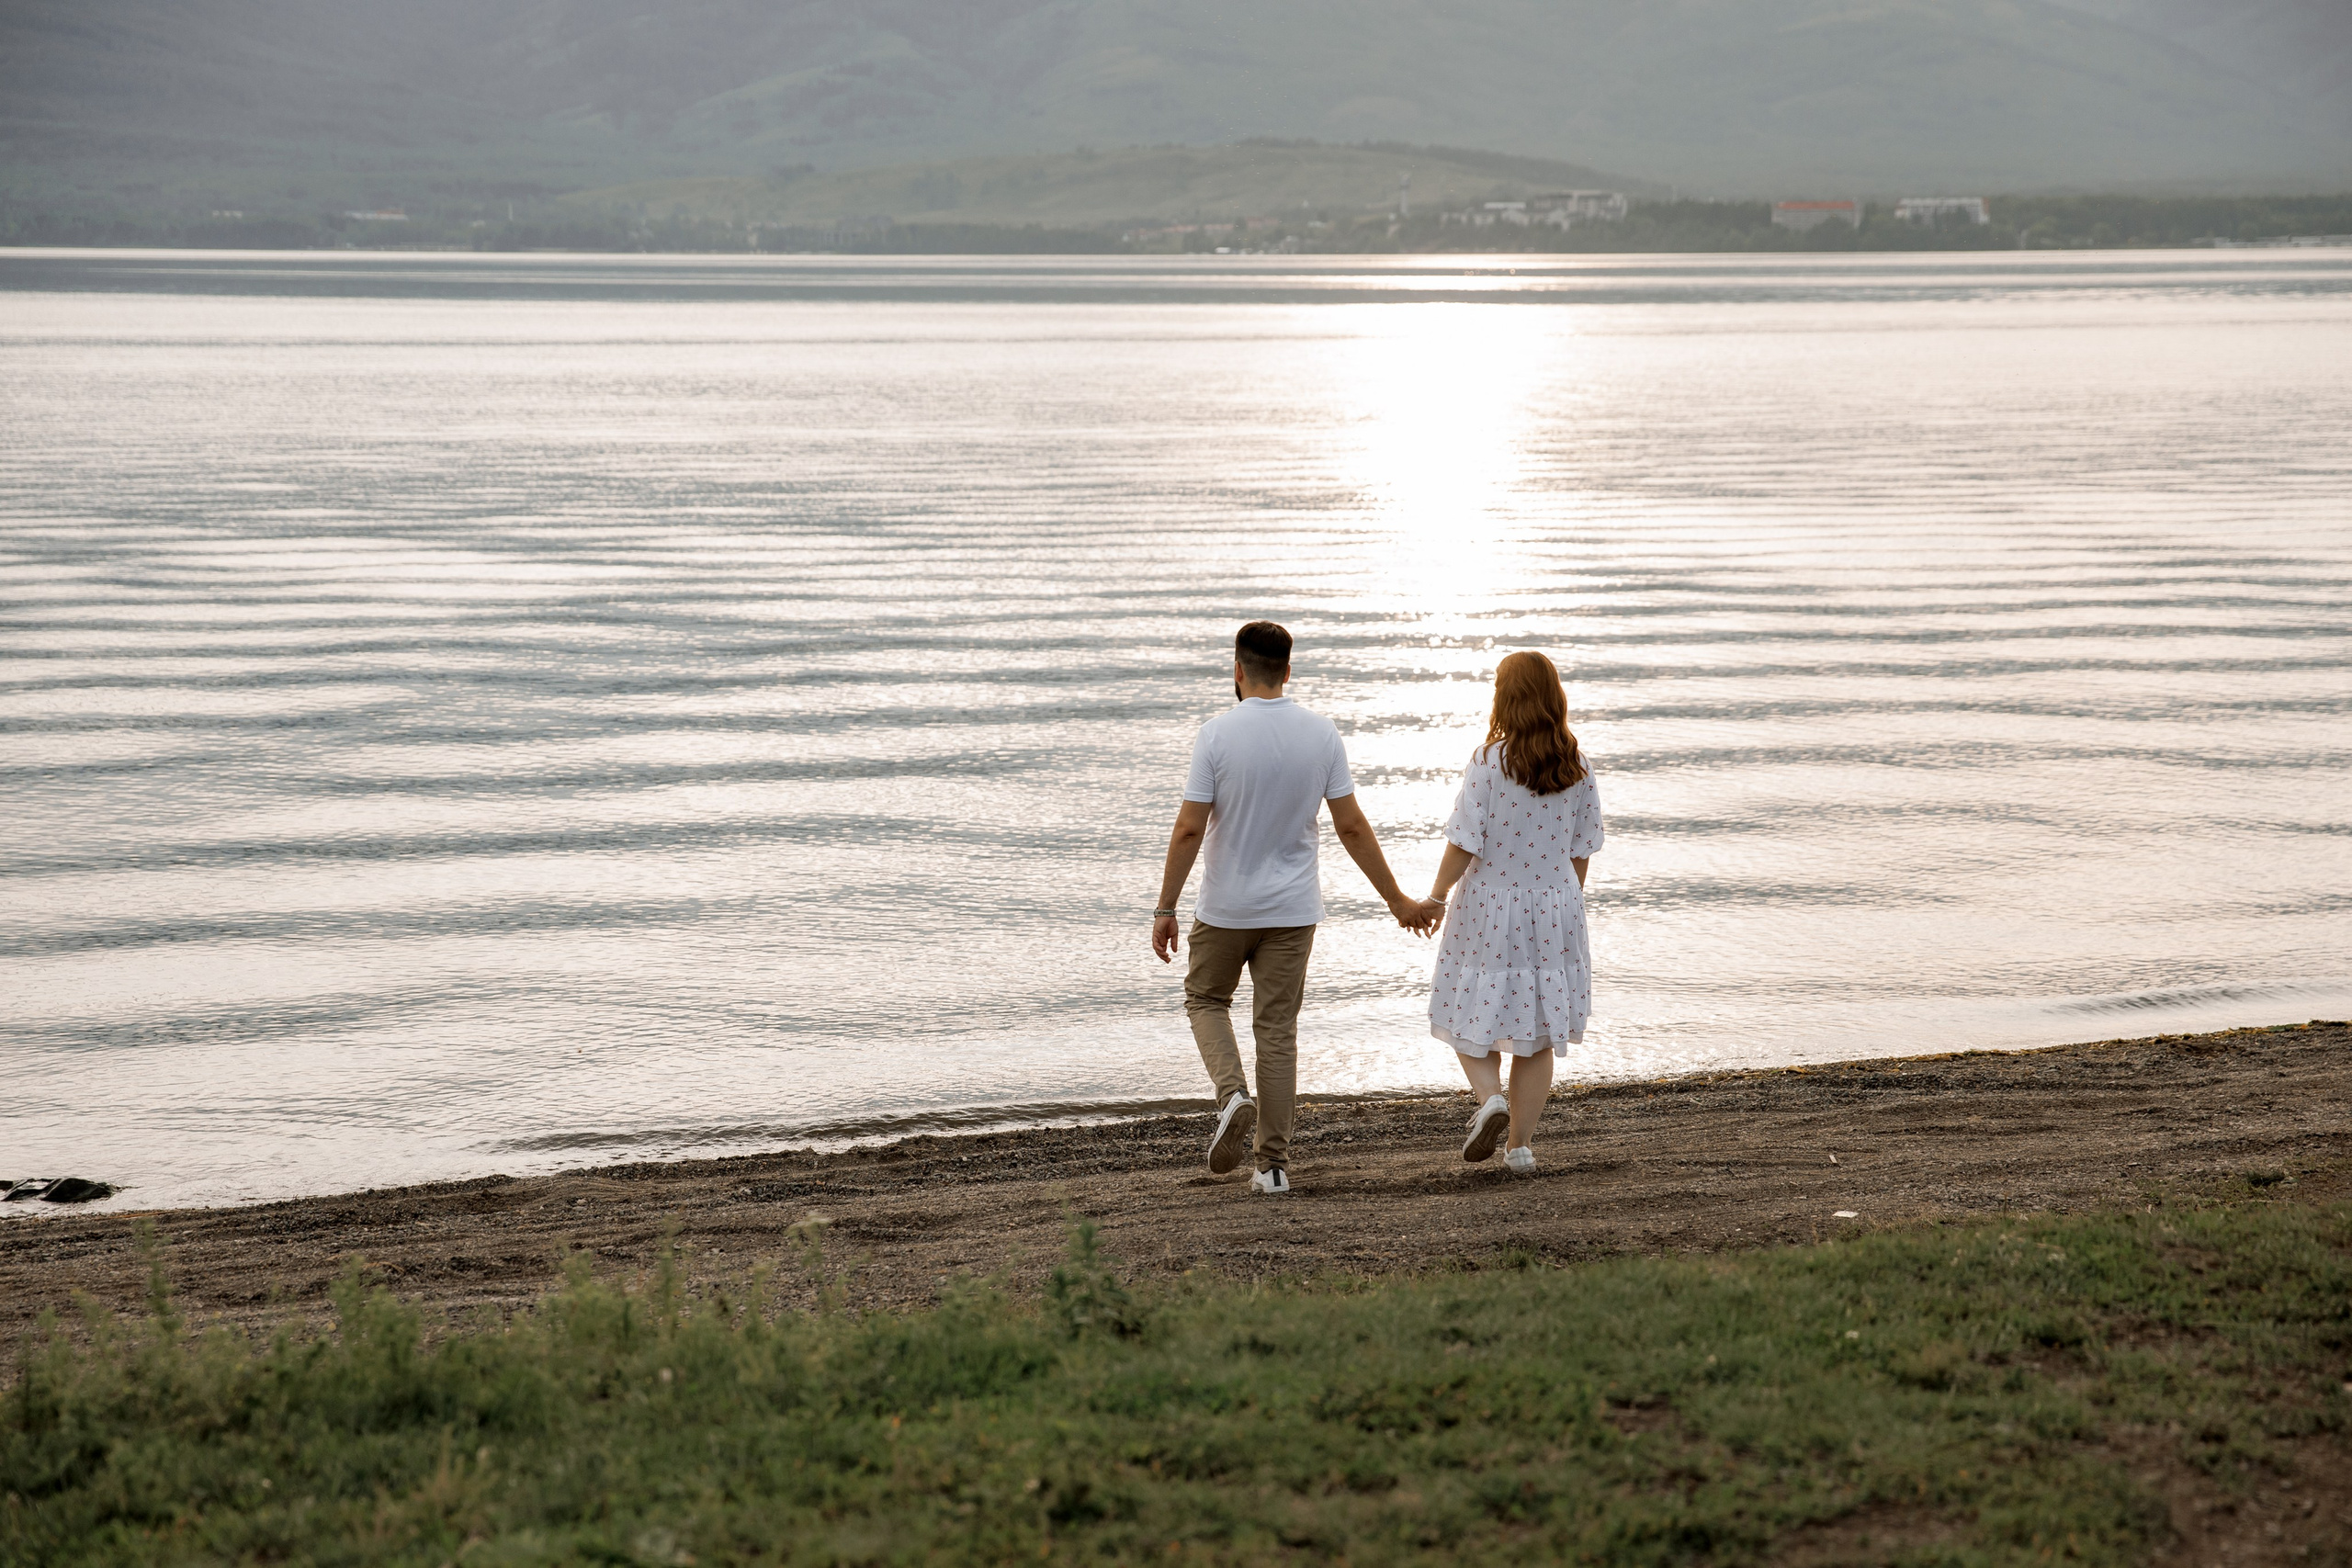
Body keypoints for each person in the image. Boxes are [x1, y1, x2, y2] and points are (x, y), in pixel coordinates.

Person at [1152, 622, 1437, 1195]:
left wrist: (1166, 907)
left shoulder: (1215, 735)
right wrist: (1398, 900)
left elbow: (1188, 830)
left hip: (1226, 909)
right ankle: (1273, 1168)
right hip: (1293, 911)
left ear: (1237, 671)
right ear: (1287, 671)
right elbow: (1351, 826)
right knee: (1277, 1031)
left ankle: (1232, 1094)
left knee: (1205, 999)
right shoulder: (1321, 734)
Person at [1423, 650, 1604, 1174]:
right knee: (1538, 1028)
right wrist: (1567, 906)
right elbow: (1582, 847)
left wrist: (1435, 897)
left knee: (1463, 1007)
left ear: (1504, 697)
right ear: (1554, 696)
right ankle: (1519, 1148)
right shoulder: (1577, 764)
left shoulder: (1488, 761)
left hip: (1490, 903)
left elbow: (1464, 841)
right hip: (1555, 903)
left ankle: (1490, 1100)